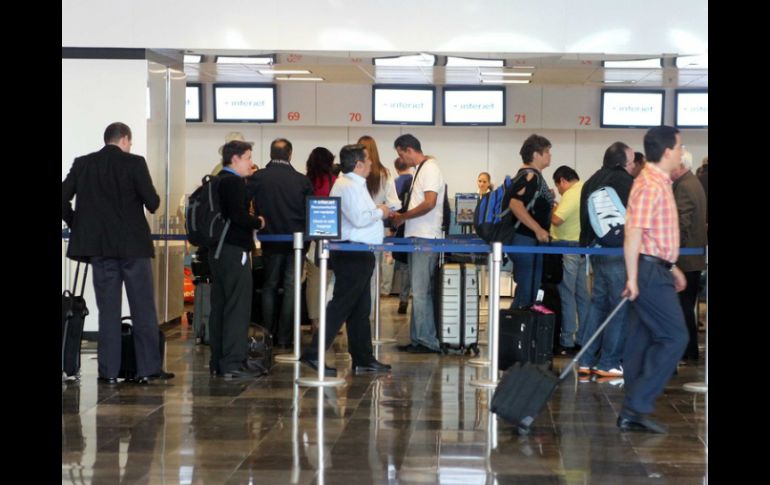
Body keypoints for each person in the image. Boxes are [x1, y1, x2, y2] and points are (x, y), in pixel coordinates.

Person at [61, 122, 174, 384]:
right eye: (130, 142)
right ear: (124, 139)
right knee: (143, 309)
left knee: (108, 311)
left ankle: (109, 372)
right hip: (134, 248)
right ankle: (148, 369)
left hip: (100, 250)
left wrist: (77, 223)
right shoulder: (135, 163)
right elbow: (153, 203)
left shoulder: (84, 164)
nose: (130, 146)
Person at [619, 125, 689, 434]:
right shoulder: (650, 184)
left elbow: (652, 237)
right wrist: (633, 278)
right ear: (667, 151)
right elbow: (634, 232)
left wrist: (672, 267)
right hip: (648, 273)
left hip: (656, 268)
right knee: (675, 337)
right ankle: (637, 404)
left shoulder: (659, 181)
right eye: (679, 146)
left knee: (642, 339)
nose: (681, 152)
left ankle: (633, 408)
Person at [300, 144, 392, 375]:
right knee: (340, 306)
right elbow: (359, 219)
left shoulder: (355, 185)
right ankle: (313, 353)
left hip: (359, 252)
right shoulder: (347, 186)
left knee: (360, 309)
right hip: (352, 253)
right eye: (368, 160)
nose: (371, 163)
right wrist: (381, 211)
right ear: (358, 164)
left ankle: (363, 357)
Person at [577, 142, 636, 378]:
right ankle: (609, 362)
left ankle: (586, 360)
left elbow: (585, 219)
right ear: (622, 163)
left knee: (598, 304)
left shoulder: (591, 181)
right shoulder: (625, 181)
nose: (633, 166)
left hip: (596, 250)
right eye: (632, 161)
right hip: (617, 251)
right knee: (620, 306)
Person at [208, 140, 266, 378]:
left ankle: (218, 361)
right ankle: (233, 363)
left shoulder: (216, 180)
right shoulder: (233, 182)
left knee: (220, 306)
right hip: (234, 251)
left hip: (217, 251)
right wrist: (258, 221)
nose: (251, 163)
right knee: (237, 307)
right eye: (248, 158)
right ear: (235, 159)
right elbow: (239, 217)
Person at [250, 138, 314, 349]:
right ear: (290, 155)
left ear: (271, 154)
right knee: (291, 287)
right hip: (296, 242)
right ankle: (285, 338)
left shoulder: (258, 177)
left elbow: (245, 204)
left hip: (270, 240)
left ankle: (267, 335)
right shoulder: (302, 180)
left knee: (269, 286)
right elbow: (311, 212)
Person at [391, 134, 445, 353]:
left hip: (425, 237)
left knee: (421, 291)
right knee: (419, 290)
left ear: (409, 150)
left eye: (401, 154)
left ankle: (426, 340)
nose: (401, 159)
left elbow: (430, 203)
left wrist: (403, 217)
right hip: (417, 236)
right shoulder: (419, 170)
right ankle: (417, 338)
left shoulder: (430, 169)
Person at [505, 134, 555, 309]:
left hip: (526, 239)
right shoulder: (530, 176)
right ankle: (516, 323)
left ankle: (518, 322)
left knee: (528, 289)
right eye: (546, 151)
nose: (550, 155)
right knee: (528, 291)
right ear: (535, 155)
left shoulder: (528, 176)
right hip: (525, 239)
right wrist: (538, 230)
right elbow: (515, 204)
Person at [670, 150, 707, 362]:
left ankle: (687, 350)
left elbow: (681, 223)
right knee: (686, 306)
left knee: (683, 307)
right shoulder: (693, 182)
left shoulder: (684, 186)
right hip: (693, 257)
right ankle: (689, 350)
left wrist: (672, 252)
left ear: (681, 166)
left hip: (685, 258)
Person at [550, 165, 588, 355]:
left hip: (567, 248)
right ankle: (584, 338)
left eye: (559, 187)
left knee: (567, 294)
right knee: (582, 295)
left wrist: (551, 206)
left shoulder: (572, 193)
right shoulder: (585, 189)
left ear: (563, 181)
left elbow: (557, 219)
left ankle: (567, 340)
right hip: (580, 247)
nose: (560, 191)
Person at [357, 135, 401, 301]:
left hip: (355, 229)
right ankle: (370, 311)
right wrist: (381, 209)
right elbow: (394, 204)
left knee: (354, 273)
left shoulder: (351, 174)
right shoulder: (385, 173)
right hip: (377, 230)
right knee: (373, 273)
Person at [304, 147, 337, 330]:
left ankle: (314, 320)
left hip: (311, 236)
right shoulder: (335, 181)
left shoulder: (306, 181)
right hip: (331, 235)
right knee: (330, 280)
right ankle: (329, 320)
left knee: (314, 281)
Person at [392, 158, 413, 314]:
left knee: (404, 266)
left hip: (401, 228)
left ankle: (403, 299)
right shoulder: (415, 181)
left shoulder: (395, 183)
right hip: (418, 229)